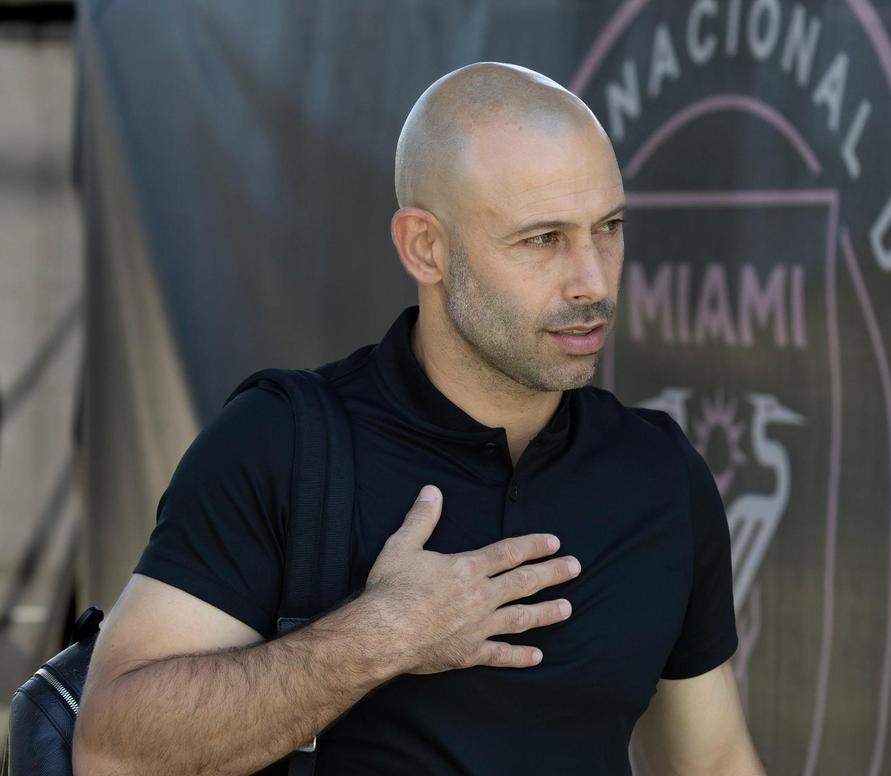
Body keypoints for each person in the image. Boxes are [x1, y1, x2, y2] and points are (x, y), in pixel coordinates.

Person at [73, 62, 765, 776]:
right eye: (542, 239)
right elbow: (112, 749)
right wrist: (382, 636)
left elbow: (710, 759)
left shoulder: (658, 475)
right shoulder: (283, 442)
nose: (592, 280)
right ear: (425, 247)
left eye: (609, 227)